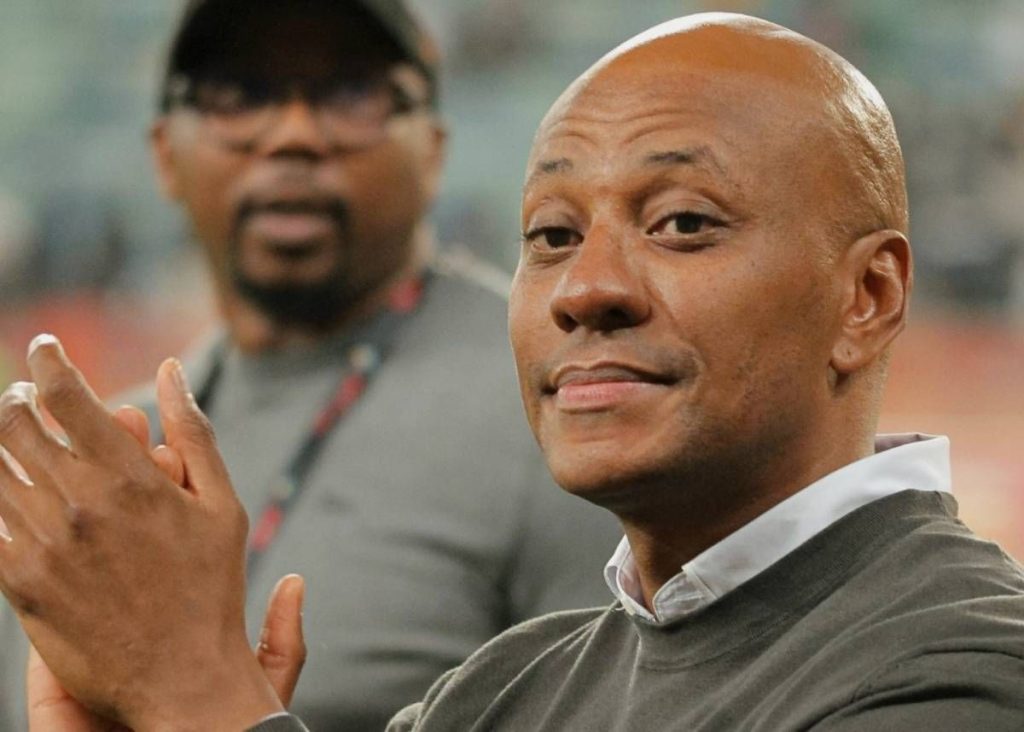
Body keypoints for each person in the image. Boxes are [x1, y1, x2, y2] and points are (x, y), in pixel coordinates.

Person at [2, 11, 1024, 732]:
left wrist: (198, 698)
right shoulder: (499, 691)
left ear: (867, 297)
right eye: (551, 235)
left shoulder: (960, 668)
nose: (587, 287)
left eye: (681, 223)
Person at [0, 0, 620, 729]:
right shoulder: (107, 461)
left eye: (351, 92)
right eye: (240, 94)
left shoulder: (562, 395)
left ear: (432, 149)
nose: (294, 134)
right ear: (165, 153)